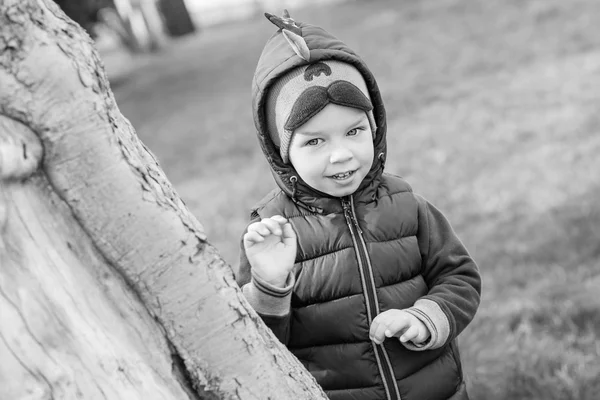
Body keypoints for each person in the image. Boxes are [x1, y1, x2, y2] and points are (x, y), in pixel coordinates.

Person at [235, 10, 481, 400]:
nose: (341, 155)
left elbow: (460, 278)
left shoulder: (408, 205)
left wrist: (425, 318)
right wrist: (269, 286)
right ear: (281, 153)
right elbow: (256, 346)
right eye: (314, 141)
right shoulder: (273, 232)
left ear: (375, 128)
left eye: (354, 131)